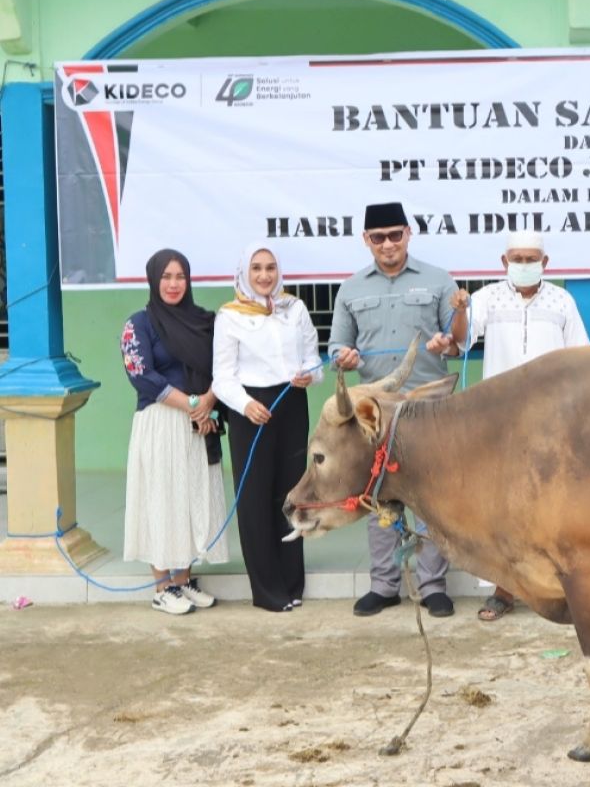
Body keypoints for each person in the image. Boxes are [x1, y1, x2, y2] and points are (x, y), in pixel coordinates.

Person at [427, 230, 590, 621]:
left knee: (554, 504)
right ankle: (504, 590)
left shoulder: (562, 301)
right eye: (516, 258)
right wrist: (461, 310)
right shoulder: (486, 298)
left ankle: (556, 588)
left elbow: (580, 360)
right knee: (504, 507)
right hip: (499, 422)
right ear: (504, 263)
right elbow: (462, 341)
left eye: (530, 258)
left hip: (553, 421)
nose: (523, 264)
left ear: (545, 263)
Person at [329, 201, 465, 618]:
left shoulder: (439, 281)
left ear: (408, 233)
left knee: (429, 500)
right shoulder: (351, 288)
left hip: (428, 407)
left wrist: (448, 340)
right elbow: (336, 346)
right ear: (366, 241)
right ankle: (384, 585)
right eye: (378, 237)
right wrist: (344, 357)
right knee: (380, 498)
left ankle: (432, 586)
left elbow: (458, 340)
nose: (387, 244)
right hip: (375, 412)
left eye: (394, 235)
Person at [213, 243, 322, 612]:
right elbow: (222, 378)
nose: (264, 275)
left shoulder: (295, 309)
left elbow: (314, 361)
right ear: (245, 272)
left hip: (292, 402)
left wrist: (310, 375)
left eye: (270, 267)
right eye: (257, 268)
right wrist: (246, 405)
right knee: (255, 498)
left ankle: (292, 582)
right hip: (251, 410)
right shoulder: (229, 316)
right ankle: (267, 589)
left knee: (291, 494)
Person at [121, 249, 227, 615]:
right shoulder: (139, 324)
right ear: (153, 279)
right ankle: (161, 586)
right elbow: (142, 375)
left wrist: (208, 404)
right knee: (162, 499)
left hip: (199, 422)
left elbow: (221, 367)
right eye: (166, 276)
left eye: (180, 276)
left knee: (189, 498)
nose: (173, 284)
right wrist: (193, 405)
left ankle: (183, 581)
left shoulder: (202, 321)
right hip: (162, 421)